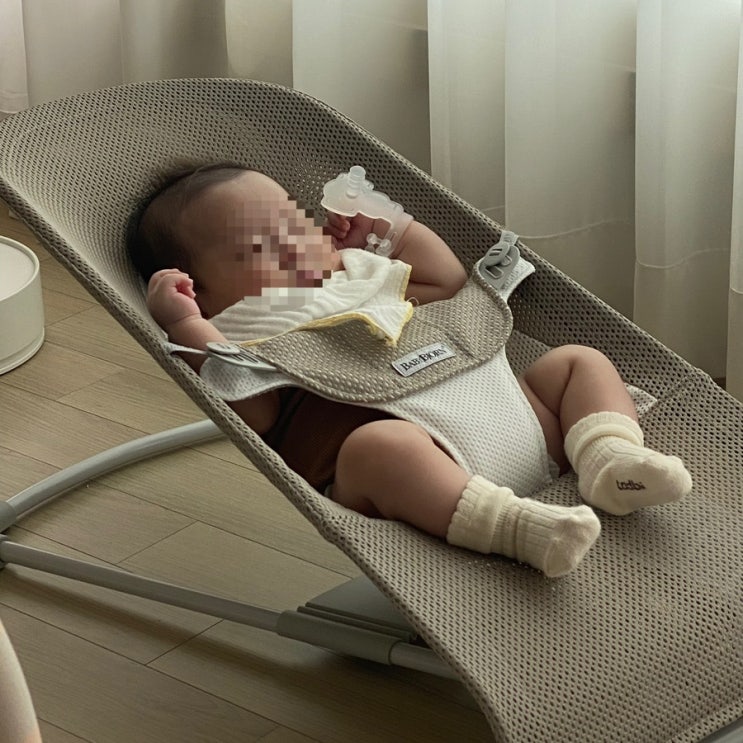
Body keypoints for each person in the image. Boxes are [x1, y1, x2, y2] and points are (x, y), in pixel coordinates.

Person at [127, 164, 693, 578]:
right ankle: (517, 528)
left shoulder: (356, 272)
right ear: (200, 290)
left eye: (294, 226)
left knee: (577, 362)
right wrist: (187, 326)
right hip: (419, 467)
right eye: (258, 249)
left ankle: (608, 459)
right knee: (381, 449)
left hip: (517, 419)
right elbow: (253, 411)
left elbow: (446, 284)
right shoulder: (239, 328)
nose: (292, 248)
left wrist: (392, 232)